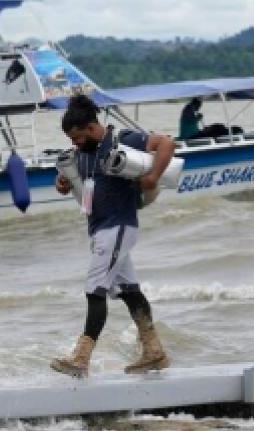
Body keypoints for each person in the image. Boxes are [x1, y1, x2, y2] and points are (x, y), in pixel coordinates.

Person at [50, 95, 176, 377]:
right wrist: (62, 184)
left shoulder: (122, 140)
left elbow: (166, 143)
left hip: (118, 226)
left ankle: (81, 358)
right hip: (98, 229)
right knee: (130, 291)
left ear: (92, 127)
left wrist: (154, 176)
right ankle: (154, 352)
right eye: (72, 139)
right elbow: (77, 185)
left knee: (95, 289)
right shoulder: (81, 154)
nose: (75, 143)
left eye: (79, 137)